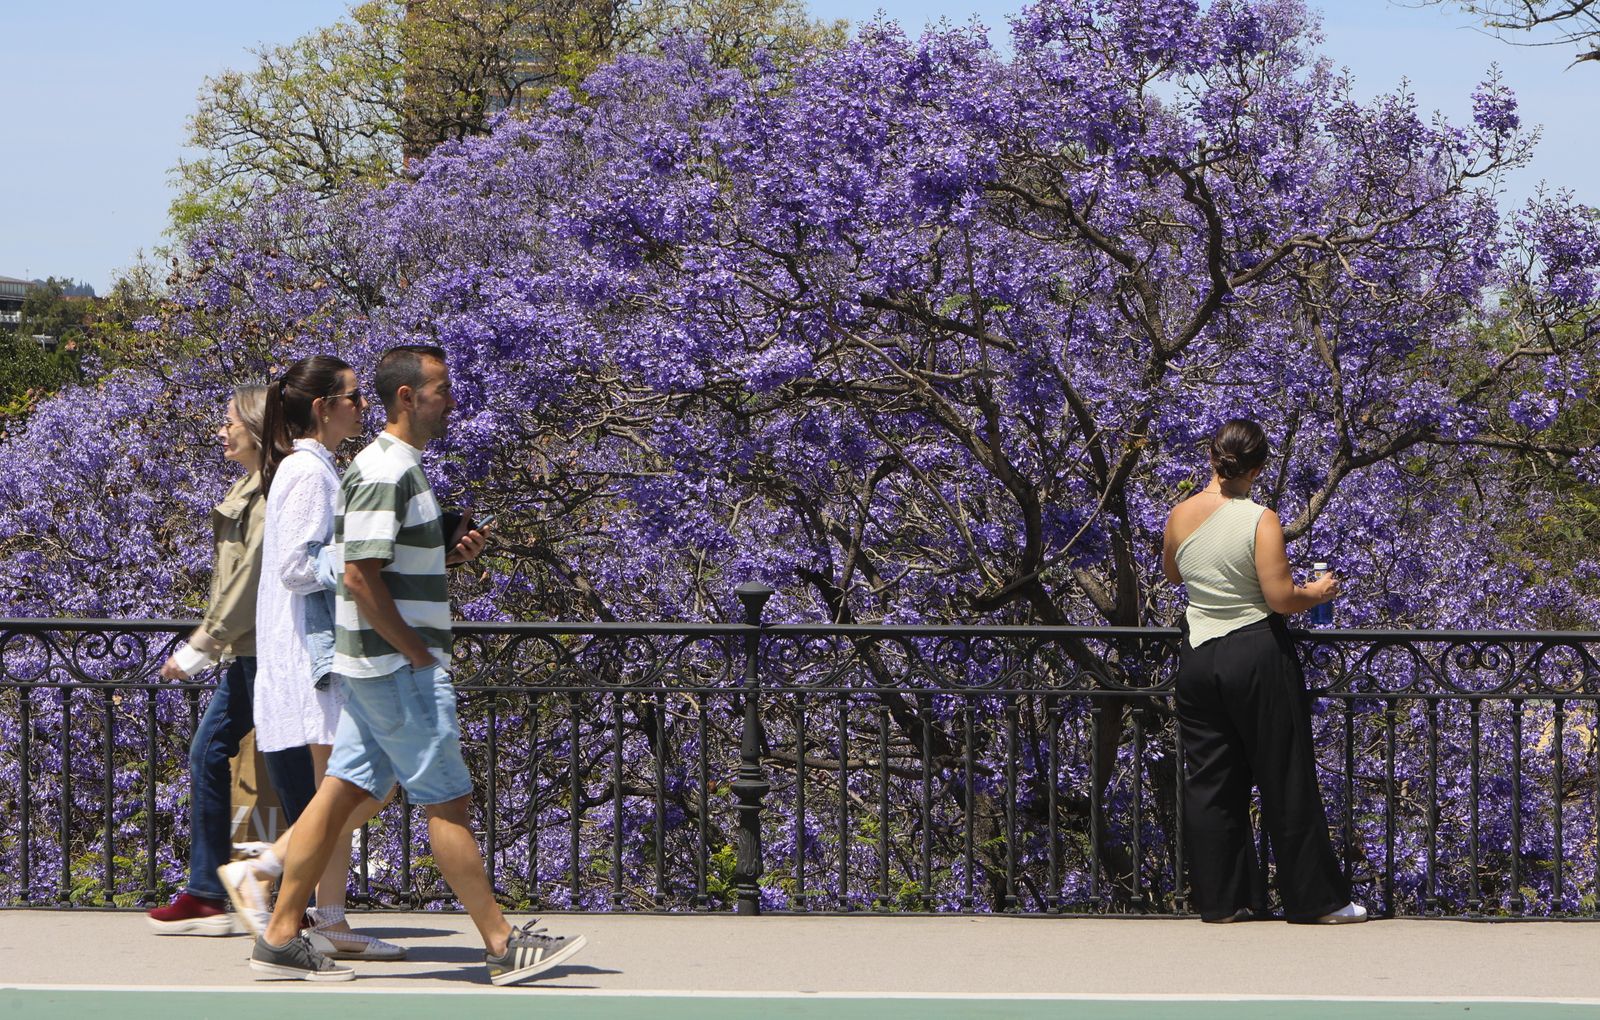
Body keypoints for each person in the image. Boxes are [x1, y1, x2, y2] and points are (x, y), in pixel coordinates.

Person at [249, 345, 587, 984]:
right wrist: (411, 649)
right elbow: (355, 572)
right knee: (448, 803)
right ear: (406, 396)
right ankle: (501, 943)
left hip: (375, 667)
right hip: (394, 669)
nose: (451, 400)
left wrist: (444, 555)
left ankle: (280, 932)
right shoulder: (385, 470)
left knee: (342, 790)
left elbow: (379, 561)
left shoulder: (395, 468)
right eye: (441, 389)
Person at [219, 355, 402, 961]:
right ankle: (263, 872)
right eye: (352, 397)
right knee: (358, 790)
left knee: (342, 788)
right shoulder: (307, 471)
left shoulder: (313, 468)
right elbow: (298, 566)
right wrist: (360, 561)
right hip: (313, 655)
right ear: (323, 407)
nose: (362, 406)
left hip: (315, 650)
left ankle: (328, 917)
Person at [1161, 418, 1366, 925]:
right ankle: (1317, 902)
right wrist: (1316, 594)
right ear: (1256, 469)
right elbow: (1279, 598)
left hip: (1198, 656)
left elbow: (1172, 573)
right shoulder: (1260, 518)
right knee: (1284, 776)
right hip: (1254, 652)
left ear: (1213, 457)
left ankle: (1224, 902)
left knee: (1212, 782)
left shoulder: (1180, 515)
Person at [147, 385, 317, 935]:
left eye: (230, 422)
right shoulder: (251, 486)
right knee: (279, 772)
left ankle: (238, 897)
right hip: (256, 650)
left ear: (255, 425)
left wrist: (200, 647)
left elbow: (248, 582)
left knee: (265, 769)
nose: (222, 431)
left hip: (264, 651)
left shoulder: (272, 490)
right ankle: (263, 897)